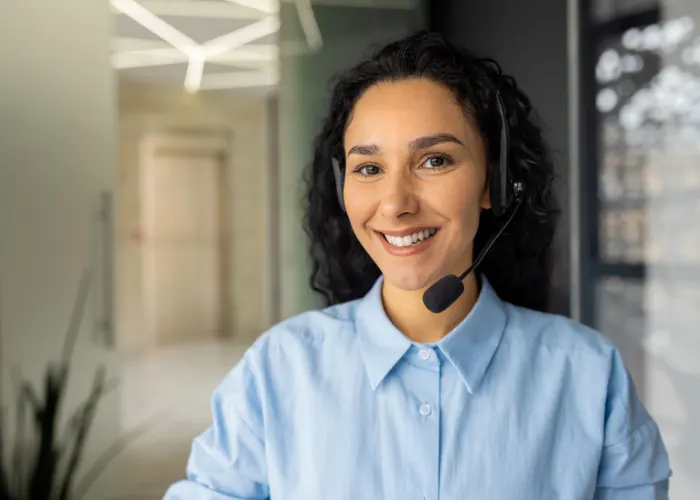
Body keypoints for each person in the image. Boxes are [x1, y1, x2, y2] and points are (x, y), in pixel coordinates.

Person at [164, 31, 671, 499]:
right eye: (368, 168)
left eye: (434, 161)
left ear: (494, 181)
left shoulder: (587, 375)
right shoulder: (278, 370)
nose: (394, 203)